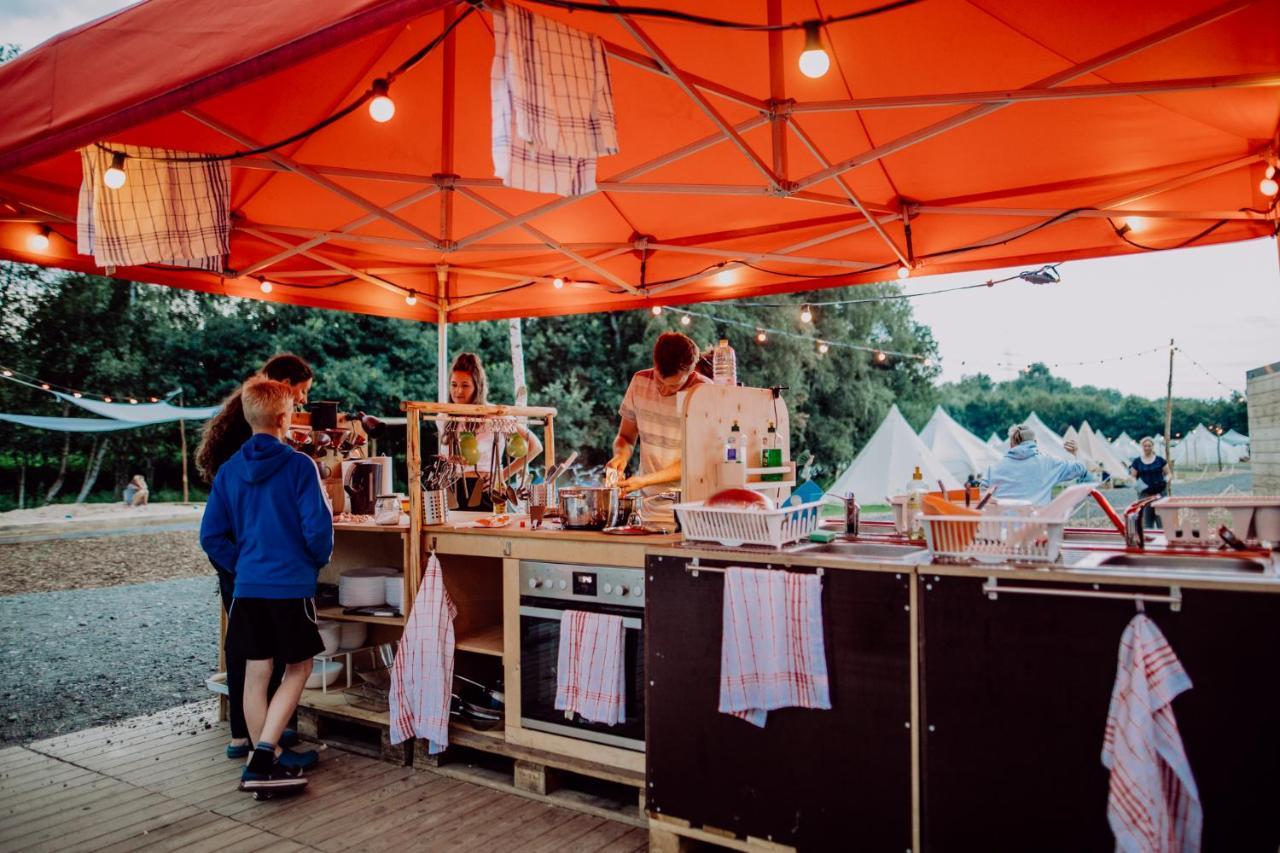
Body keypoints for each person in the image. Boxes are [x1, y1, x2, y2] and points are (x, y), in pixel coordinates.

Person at [200, 378, 334, 794]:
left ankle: (270, 756)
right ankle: (261, 760)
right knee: (299, 667)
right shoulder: (299, 466)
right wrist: (313, 563)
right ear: (284, 418)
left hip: (248, 589)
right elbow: (318, 530)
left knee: (256, 674)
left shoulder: (229, 471)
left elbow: (211, 536)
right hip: (289, 588)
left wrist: (241, 567)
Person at [607, 331, 711, 496]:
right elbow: (625, 438)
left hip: (690, 503)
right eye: (659, 381)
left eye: (673, 386)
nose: (663, 390)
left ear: (691, 372)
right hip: (650, 504)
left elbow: (696, 460)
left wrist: (644, 480)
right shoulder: (639, 381)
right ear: (654, 364)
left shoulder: (705, 392)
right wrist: (621, 456)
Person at [443, 352, 542, 511]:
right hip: (453, 492)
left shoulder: (494, 415)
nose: (458, 391)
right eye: (454, 385)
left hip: (487, 492)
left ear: (478, 386)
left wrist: (501, 475)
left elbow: (535, 446)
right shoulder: (445, 417)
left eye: (465, 385)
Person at [982, 423, 1089, 506]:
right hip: (1036, 530)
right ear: (1035, 443)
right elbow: (1081, 468)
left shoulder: (993, 469)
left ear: (1011, 444)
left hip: (1002, 530)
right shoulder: (1049, 464)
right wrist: (1076, 453)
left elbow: (981, 496)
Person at [1129, 437, 1170, 527]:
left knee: (1161, 518)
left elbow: (1168, 474)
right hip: (1145, 494)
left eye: (1149, 446)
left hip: (1159, 492)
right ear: (1142, 447)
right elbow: (1133, 477)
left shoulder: (1160, 460)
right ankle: (1148, 537)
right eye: (1145, 446)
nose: (1147, 448)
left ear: (1152, 446)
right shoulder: (1137, 462)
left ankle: (1162, 536)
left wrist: (1165, 481)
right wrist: (1139, 487)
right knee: (1146, 519)